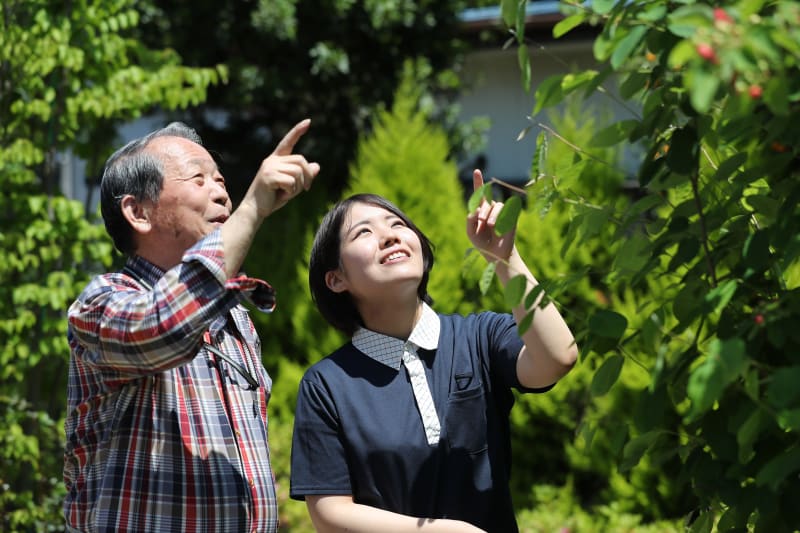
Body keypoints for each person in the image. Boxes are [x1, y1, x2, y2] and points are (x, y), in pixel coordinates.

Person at [63, 119, 320, 532]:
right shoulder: (99, 305)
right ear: (138, 212)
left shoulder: (235, 317)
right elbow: (162, 327)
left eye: (220, 179)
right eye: (199, 179)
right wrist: (255, 208)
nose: (222, 191)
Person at [290, 169, 578, 532]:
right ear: (336, 279)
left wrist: (506, 259)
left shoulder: (480, 336)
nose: (389, 235)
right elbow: (329, 515)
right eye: (364, 232)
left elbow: (558, 358)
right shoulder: (326, 384)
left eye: (396, 224)